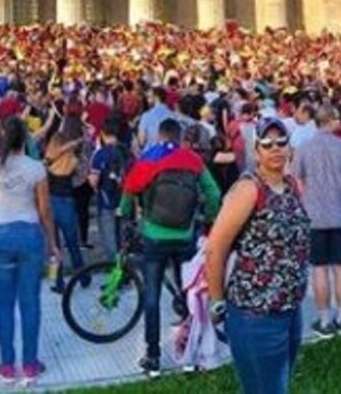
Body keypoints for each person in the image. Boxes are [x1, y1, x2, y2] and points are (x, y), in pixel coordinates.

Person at [205, 117, 310, 394]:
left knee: (270, 386)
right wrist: (216, 302)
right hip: (255, 315)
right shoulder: (248, 189)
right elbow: (215, 248)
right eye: (267, 143)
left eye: (281, 142)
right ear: (257, 150)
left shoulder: (292, 186)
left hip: (289, 310)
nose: (275, 148)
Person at [118, 118, 221, 377]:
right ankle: (190, 354)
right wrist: (207, 220)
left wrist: (126, 213)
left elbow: (129, 189)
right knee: (190, 293)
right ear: (180, 136)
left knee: (151, 296)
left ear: (159, 135)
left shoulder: (151, 157)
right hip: (185, 234)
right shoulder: (192, 159)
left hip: (154, 234)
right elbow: (214, 194)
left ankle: (153, 356)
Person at [0, 117, 58, 383]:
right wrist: (52, 243)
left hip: (0, 233)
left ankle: (7, 364)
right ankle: (30, 363)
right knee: (30, 301)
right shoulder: (36, 168)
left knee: (3, 302)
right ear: (26, 139)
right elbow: (45, 211)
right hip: (29, 233)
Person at [292, 105, 341, 335]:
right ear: (329, 120)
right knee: (340, 267)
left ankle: (324, 320)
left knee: (319, 269)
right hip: (340, 213)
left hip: (314, 214)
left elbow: (297, 182)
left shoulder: (304, 148)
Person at [44, 116, 85, 292]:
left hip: (51, 204)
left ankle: (56, 280)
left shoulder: (47, 163)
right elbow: (82, 177)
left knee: (54, 247)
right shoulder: (73, 162)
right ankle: (83, 276)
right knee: (73, 244)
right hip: (67, 203)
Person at [87, 116, 130, 260]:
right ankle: (126, 270)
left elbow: (94, 181)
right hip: (125, 200)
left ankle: (115, 272)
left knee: (110, 241)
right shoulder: (127, 152)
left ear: (103, 134)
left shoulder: (100, 154)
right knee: (123, 239)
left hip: (107, 202)